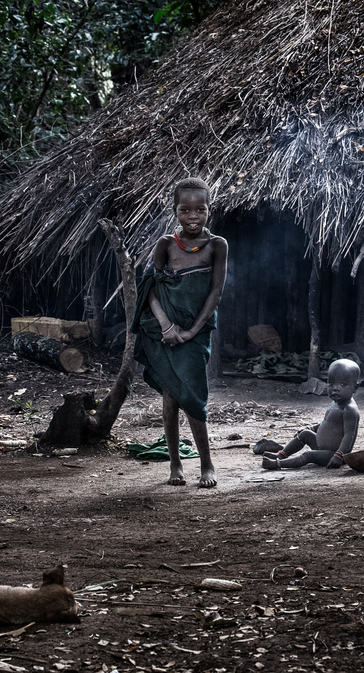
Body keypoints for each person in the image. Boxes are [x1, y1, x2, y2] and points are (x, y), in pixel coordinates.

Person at [132, 177, 228, 487]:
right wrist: (167, 326)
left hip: (195, 333)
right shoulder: (165, 245)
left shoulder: (217, 246)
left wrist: (190, 332)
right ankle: (175, 465)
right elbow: (148, 289)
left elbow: (215, 293)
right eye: (185, 210)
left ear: (209, 210)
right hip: (163, 332)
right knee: (171, 397)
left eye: (200, 210)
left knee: (195, 397)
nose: (193, 217)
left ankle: (207, 464)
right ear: (175, 211)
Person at [262, 359, 361, 470]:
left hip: (332, 454)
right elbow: (326, 423)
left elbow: (349, 436)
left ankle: (277, 464)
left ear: (355, 388)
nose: (335, 388)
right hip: (321, 446)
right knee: (305, 433)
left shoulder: (350, 410)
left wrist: (339, 455)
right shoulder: (335, 403)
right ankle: (281, 454)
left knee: (308, 455)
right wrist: (311, 428)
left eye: (343, 384)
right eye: (331, 383)